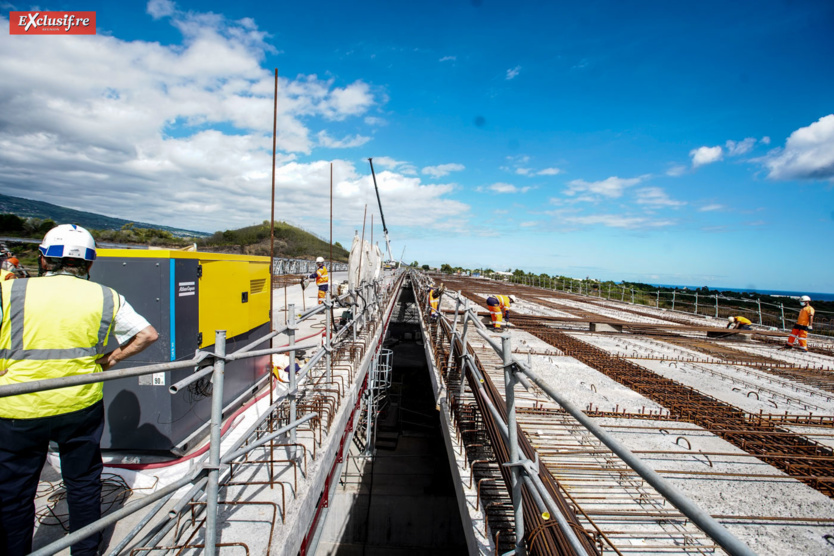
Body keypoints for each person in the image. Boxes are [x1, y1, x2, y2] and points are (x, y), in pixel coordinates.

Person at [0, 224, 159, 556]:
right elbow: (147, 335)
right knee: (84, 484)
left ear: (44, 260)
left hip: (17, 407)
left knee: (14, 492)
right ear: (88, 264)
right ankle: (84, 550)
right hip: (79, 403)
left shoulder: (10, 292)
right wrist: (111, 359)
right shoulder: (105, 296)